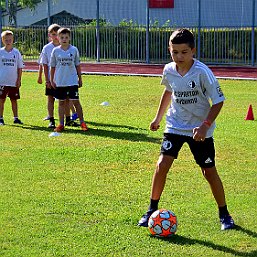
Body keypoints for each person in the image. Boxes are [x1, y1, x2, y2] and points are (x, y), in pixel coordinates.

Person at [137, 29, 235, 231]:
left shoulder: (202, 72)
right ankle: (150, 210)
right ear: (169, 50)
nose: (179, 57)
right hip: (174, 125)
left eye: (184, 52)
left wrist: (204, 125)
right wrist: (158, 117)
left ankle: (224, 214)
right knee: (162, 164)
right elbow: (168, 91)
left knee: (208, 171)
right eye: (175, 52)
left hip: (199, 130)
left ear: (193, 51)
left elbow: (218, 101)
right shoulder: (169, 70)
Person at [50, 27, 88, 132]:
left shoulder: (74, 50)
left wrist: (80, 78)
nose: (64, 39)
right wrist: (52, 79)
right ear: (58, 38)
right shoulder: (55, 51)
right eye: (62, 37)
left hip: (72, 81)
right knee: (61, 103)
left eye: (66, 37)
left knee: (76, 102)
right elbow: (52, 66)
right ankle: (61, 124)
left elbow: (77, 65)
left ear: (69, 38)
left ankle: (82, 123)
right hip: (60, 82)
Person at [0, 30, 24, 126]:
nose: (8, 41)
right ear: (3, 40)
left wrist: (19, 79)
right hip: (2, 81)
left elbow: (19, 67)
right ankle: (1, 118)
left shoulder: (16, 52)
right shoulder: (0, 52)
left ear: (13, 40)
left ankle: (16, 118)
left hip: (13, 81)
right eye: (6, 39)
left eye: (10, 39)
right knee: (1, 100)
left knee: (14, 100)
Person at [39, 24, 61, 128]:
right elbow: (44, 64)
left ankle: (68, 119)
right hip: (52, 79)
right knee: (50, 98)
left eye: (57, 34)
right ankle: (51, 119)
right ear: (49, 35)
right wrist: (47, 80)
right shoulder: (47, 48)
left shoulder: (65, 46)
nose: (56, 36)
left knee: (65, 100)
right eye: (53, 34)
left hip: (63, 79)